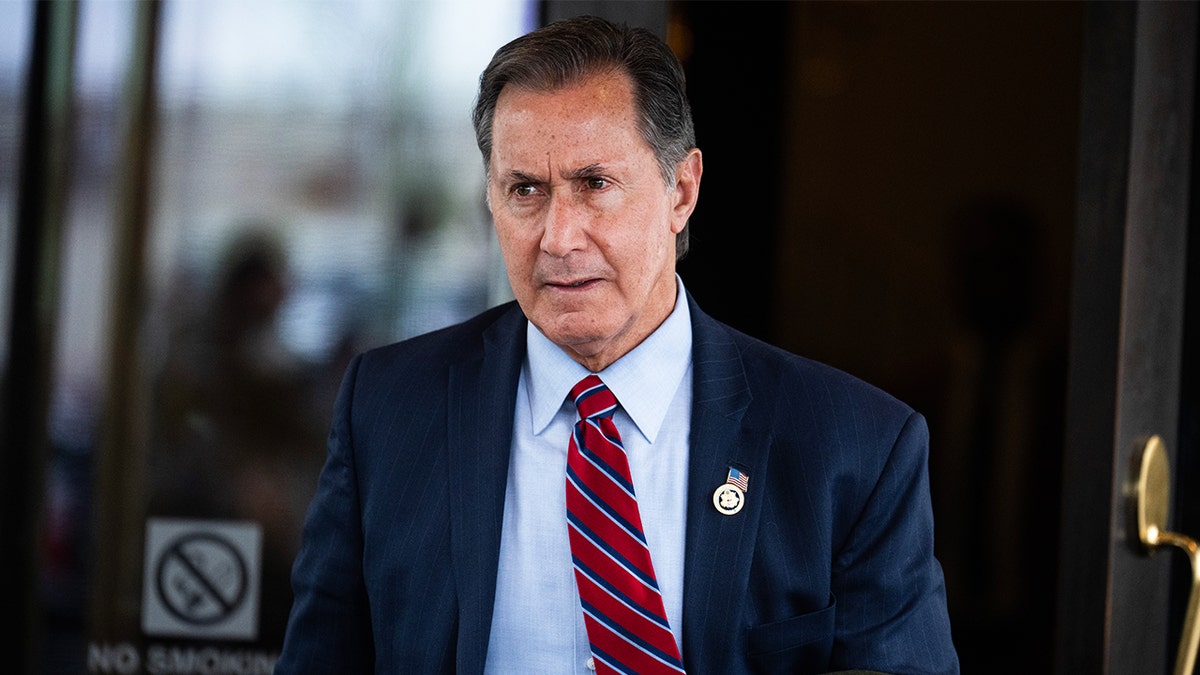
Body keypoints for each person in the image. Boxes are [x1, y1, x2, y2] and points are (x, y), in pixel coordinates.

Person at [276, 15, 958, 674]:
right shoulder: (388, 409)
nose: (559, 236)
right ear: (491, 199)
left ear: (681, 191)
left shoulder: (855, 446)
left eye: (595, 185)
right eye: (526, 190)